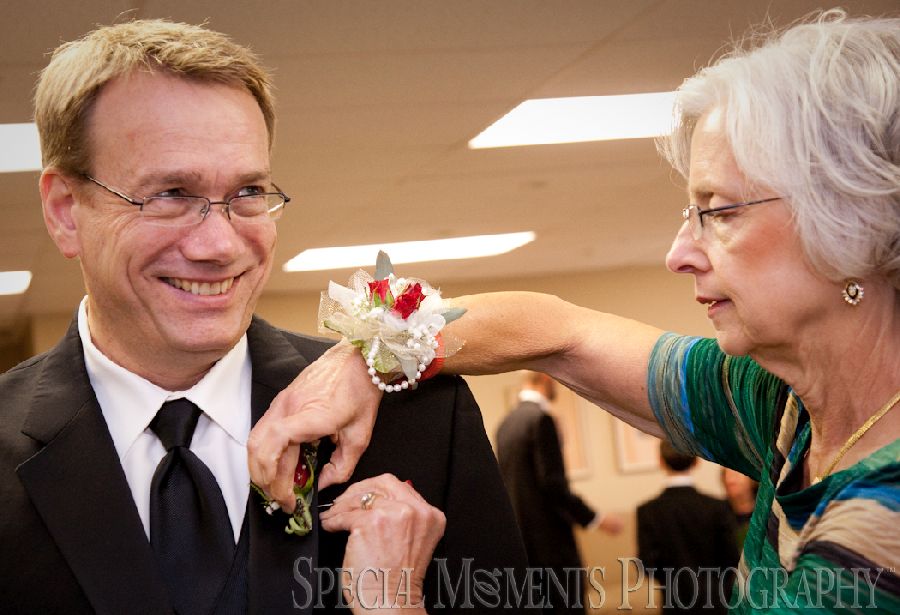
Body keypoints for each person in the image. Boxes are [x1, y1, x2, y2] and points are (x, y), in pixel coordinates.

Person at [251, 10, 900, 612]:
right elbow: (559, 332)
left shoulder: (878, 531)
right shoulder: (787, 409)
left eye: (720, 212)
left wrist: (391, 600)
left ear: (855, 220)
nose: (680, 253)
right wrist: (366, 350)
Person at [0, 19, 529, 614]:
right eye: (171, 194)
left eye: (248, 192)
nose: (220, 245)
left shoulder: (420, 421)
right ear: (67, 211)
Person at [495, 372, 623, 614]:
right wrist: (595, 518)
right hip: (550, 545)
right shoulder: (541, 419)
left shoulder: (506, 424)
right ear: (545, 378)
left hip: (525, 543)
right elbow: (553, 484)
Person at [637, 441, 738, 614]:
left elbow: (647, 566)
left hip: (674, 603)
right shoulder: (717, 507)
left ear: (660, 462)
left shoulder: (648, 511)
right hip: (715, 602)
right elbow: (731, 559)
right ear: (697, 462)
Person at [721, 467, 758, 552]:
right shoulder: (718, 512)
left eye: (736, 475)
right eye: (726, 475)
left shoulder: (765, 514)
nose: (730, 480)